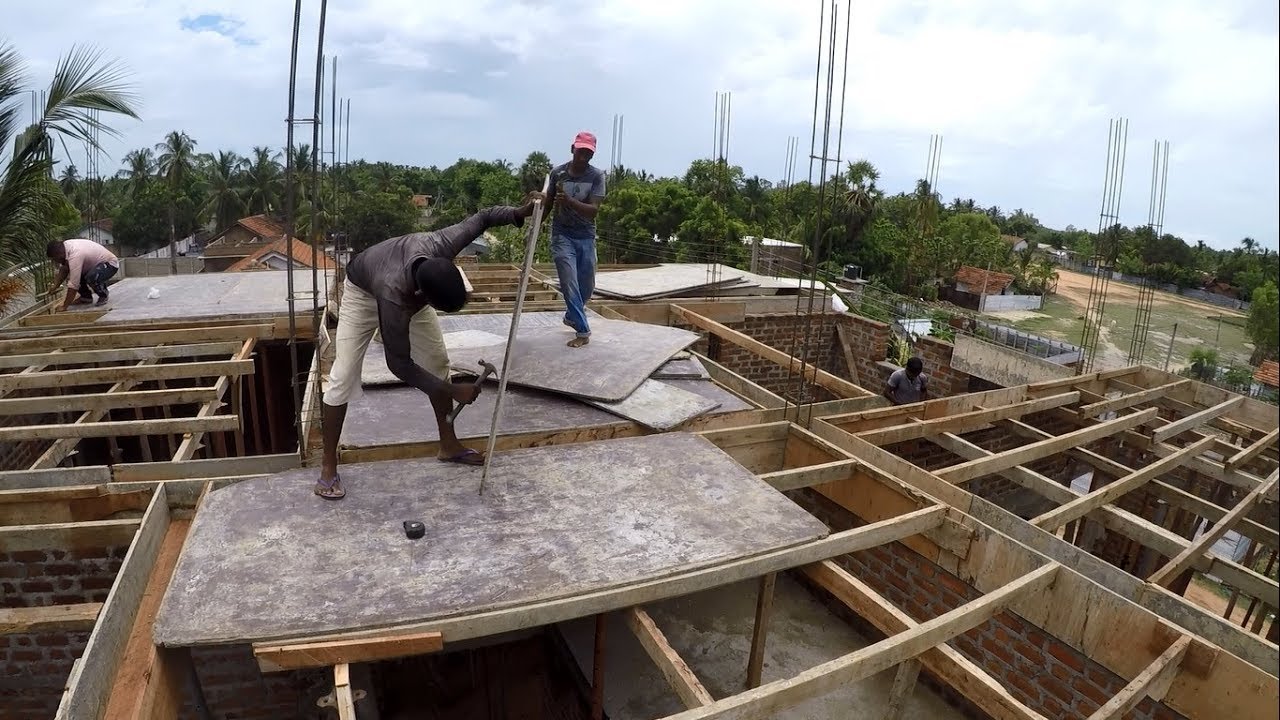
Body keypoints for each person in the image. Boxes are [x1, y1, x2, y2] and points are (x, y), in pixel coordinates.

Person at [315, 195, 544, 499]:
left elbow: (485, 216)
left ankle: (448, 446)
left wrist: (520, 212)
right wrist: (452, 391)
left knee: (438, 362)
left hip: (410, 286)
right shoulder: (394, 294)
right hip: (363, 293)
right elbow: (398, 364)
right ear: (422, 294)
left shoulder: (440, 245)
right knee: (342, 377)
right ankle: (328, 467)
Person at [547, 131, 606, 348]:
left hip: (585, 236)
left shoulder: (597, 176)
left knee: (587, 286)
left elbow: (593, 211)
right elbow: (548, 203)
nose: (583, 157)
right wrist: (534, 227)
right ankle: (583, 331)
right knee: (569, 282)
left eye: (588, 154)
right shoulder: (558, 173)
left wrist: (570, 201)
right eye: (580, 152)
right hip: (562, 235)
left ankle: (572, 315)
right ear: (573, 149)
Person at [45, 239, 119, 310]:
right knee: (74, 273)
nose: (56, 262)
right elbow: (64, 269)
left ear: (59, 254)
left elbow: (73, 285)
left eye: (55, 259)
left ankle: (103, 295)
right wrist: (55, 286)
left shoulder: (75, 254)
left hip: (110, 264)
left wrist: (65, 306)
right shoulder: (65, 248)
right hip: (93, 266)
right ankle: (86, 298)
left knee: (91, 277)